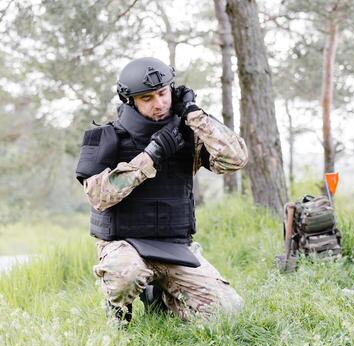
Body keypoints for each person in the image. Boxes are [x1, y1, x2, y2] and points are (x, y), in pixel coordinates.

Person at [75, 57, 248, 326]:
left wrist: (194, 114)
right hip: (125, 246)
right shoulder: (107, 137)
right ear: (129, 100)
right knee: (125, 276)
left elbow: (235, 159)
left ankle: (161, 295)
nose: (159, 104)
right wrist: (151, 156)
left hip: (174, 247)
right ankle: (117, 307)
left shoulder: (188, 131)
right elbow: (98, 196)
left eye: (163, 93)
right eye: (147, 98)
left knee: (228, 312)